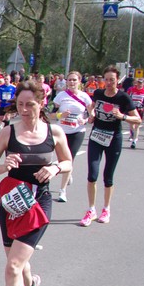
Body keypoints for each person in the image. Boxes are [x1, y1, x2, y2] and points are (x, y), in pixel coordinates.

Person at [0, 81, 73, 286]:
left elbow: (68, 161)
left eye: (29, 104)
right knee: (16, 262)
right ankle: (31, 285)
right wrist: (4, 166)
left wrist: (55, 169)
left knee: (12, 266)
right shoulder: (8, 133)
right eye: (20, 104)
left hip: (38, 204)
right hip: (13, 202)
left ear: (41, 103)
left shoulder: (54, 132)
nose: (24, 110)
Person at [79, 66, 141, 226]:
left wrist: (123, 116)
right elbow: (91, 106)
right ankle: (91, 209)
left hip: (113, 139)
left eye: (111, 80)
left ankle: (106, 209)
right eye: (106, 79)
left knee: (108, 176)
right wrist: (91, 115)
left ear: (117, 80)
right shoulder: (99, 93)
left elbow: (138, 119)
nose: (108, 83)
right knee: (92, 174)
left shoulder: (123, 97)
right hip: (96, 136)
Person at [51, 71, 92, 202]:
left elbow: (92, 115)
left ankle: (62, 191)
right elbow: (51, 114)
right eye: (69, 80)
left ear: (79, 81)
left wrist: (84, 120)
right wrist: (60, 115)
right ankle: (69, 172)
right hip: (61, 132)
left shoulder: (85, 97)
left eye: (74, 80)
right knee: (61, 159)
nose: (72, 82)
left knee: (69, 159)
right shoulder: (60, 96)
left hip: (77, 131)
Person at [126, 77, 144, 149]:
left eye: (141, 83)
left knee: (137, 125)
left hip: (140, 109)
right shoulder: (131, 89)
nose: (139, 85)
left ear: (143, 84)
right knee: (131, 124)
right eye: (138, 83)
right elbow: (127, 98)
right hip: (132, 109)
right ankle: (132, 134)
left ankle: (134, 140)